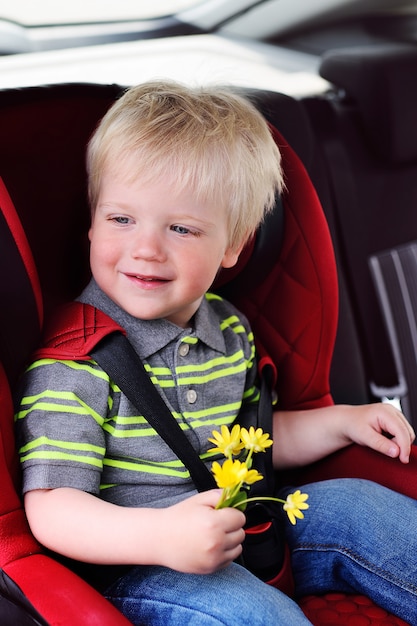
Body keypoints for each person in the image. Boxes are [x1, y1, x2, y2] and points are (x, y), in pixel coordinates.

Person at [15, 80, 417, 626]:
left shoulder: (230, 331)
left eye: (181, 227)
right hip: (141, 564)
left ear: (233, 244)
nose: (146, 248)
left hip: (244, 521)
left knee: (362, 507)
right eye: (121, 219)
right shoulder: (74, 367)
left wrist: (342, 422)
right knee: (254, 613)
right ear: (91, 221)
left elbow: (255, 439)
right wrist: (161, 537)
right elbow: (53, 508)